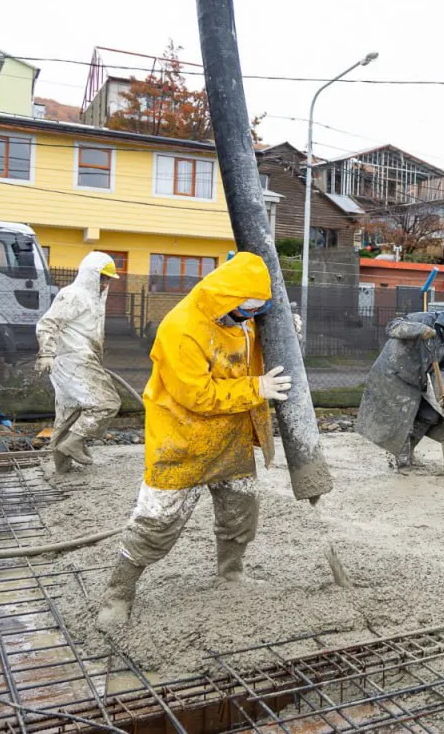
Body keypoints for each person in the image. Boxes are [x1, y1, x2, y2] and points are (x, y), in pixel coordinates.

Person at [96, 252, 292, 629]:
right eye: (242, 312)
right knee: (157, 520)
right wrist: (257, 387)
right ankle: (118, 593)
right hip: (181, 440)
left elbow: (249, 350)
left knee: (240, 511)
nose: (246, 319)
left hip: (230, 437)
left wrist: (280, 333)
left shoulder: (240, 321)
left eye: (253, 313)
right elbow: (196, 395)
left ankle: (230, 573)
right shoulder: (181, 328)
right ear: (225, 300)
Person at [356, 307, 444, 470]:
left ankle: (409, 450)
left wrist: (443, 390)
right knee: (401, 420)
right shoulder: (423, 320)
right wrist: (419, 330)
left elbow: (439, 370)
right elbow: (392, 327)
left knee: (431, 415)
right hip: (393, 374)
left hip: (416, 380)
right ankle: (401, 459)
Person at [35, 251, 122, 474]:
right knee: (107, 403)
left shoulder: (93, 300)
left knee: (68, 412)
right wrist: (46, 353)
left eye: (107, 280)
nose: (104, 284)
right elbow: (47, 324)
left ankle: (62, 467)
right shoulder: (73, 295)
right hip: (74, 360)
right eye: (102, 278)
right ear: (90, 275)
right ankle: (74, 442)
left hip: (78, 360)